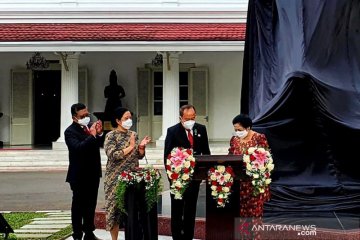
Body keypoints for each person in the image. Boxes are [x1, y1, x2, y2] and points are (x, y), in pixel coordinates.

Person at [103, 107, 152, 240]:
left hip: (132, 177)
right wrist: (130, 147)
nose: (129, 120)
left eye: (130, 118)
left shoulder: (133, 134)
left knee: (131, 209)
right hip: (115, 179)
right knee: (115, 211)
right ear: (118, 121)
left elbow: (138, 156)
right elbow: (113, 155)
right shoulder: (111, 136)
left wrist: (141, 147)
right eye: (126, 118)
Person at [164, 104, 211, 240]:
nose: (191, 121)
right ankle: (177, 237)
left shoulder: (200, 129)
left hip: (195, 178)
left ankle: (188, 237)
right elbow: (167, 156)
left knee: (191, 210)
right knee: (177, 209)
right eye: (187, 118)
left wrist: (204, 173)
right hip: (177, 178)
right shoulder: (172, 131)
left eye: (193, 117)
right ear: (181, 118)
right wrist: (172, 179)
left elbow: (206, 153)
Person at [64, 103, 104, 240]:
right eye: (83, 116)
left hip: (93, 173)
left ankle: (89, 232)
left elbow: (97, 144)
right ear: (75, 117)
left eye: (87, 115)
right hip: (79, 175)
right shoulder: (70, 132)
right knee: (78, 206)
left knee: (91, 204)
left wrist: (99, 134)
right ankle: (77, 234)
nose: (87, 117)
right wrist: (92, 136)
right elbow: (78, 148)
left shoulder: (89, 128)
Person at [228, 114, 271, 239]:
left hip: (254, 183)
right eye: (235, 129)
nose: (237, 132)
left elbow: (266, 159)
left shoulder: (259, 138)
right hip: (239, 183)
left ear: (248, 127)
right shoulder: (234, 140)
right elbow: (230, 155)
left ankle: (256, 237)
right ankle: (243, 237)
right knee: (241, 213)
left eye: (239, 130)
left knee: (255, 213)